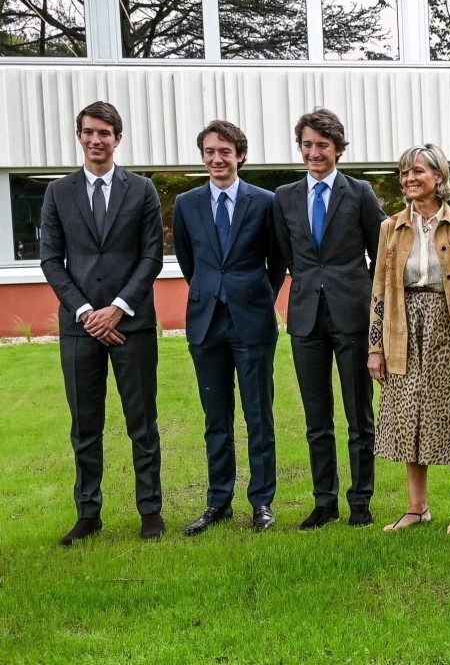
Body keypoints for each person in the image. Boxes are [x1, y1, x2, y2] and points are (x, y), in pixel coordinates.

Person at [40, 101, 165, 545]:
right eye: (89, 132)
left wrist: (117, 307)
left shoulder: (142, 190)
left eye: (105, 133)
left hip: (131, 324)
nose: (97, 140)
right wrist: (86, 312)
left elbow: (152, 255)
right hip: (80, 329)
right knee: (85, 425)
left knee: (142, 423)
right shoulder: (58, 192)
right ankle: (88, 513)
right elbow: (51, 260)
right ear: (79, 136)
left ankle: (150, 511)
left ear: (118, 138)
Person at [273, 108, 386, 530]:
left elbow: (381, 255)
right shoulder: (284, 197)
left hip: (352, 316)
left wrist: (364, 296)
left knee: (359, 416)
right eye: (307, 145)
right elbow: (285, 254)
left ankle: (361, 501)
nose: (314, 152)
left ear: (338, 148)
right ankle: (324, 502)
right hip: (305, 318)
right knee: (316, 419)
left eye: (322, 145)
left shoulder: (360, 193)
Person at [367, 144, 450, 534]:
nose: (409, 179)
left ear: (439, 176)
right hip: (402, 330)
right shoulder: (390, 228)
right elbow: (379, 291)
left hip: (449, 329)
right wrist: (375, 347)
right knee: (409, 417)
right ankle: (417, 508)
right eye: (404, 172)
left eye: (418, 171)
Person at [173, 120, 286, 535]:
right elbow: (188, 260)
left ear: (240, 155)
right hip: (206, 322)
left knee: (259, 416)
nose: (217, 159)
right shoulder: (186, 203)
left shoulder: (266, 202)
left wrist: (255, 295)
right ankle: (218, 501)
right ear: (202, 156)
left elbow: (277, 261)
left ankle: (262, 502)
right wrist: (212, 291)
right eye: (210, 152)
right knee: (216, 419)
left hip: (252, 320)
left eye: (225, 151)